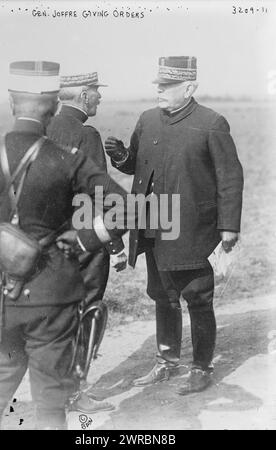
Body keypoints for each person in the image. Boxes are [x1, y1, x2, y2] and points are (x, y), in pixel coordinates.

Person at [0, 60, 130, 429]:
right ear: (51, 105)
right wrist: (84, 238)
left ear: (12, 101)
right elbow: (125, 208)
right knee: (50, 399)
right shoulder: (68, 160)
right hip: (54, 295)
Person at [105, 56, 244, 394]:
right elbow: (137, 165)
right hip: (153, 223)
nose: (159, 91)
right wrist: (121, 156)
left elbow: (230, 177)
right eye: (158, 85)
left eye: (166, 86)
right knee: (163, 297)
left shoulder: (211, 122)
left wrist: (229, 227)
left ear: (189, 87)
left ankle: (201, 367)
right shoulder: (148, 119)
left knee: (197, 298)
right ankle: (166, 362)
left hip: (194, 229)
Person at [47, 71, 127, 412]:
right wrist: (115, 245)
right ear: (82, 96)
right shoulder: (86, 134)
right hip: (86, 243)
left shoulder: (44, 129)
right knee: (87, 314)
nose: (99, 98)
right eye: (95, 93)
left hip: (49, 244)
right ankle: (75, 393)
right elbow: (100, 196)